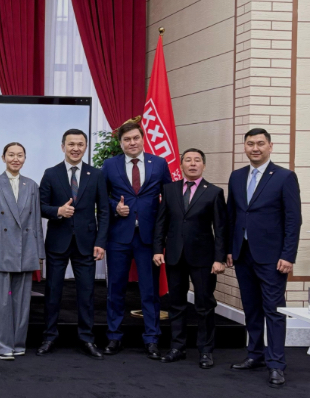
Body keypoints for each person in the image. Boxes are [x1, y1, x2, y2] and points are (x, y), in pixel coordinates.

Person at [227, 128, 301, 388]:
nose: (255, 148)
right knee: (251, 308)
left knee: (274, 310)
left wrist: (288, 255)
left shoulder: (284, 177)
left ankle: (276, 364)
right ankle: (255, 355)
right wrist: (229, 249)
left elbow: (293, 219)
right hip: (242, 254)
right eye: (250, 144)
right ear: (245, 147)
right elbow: (232, 215)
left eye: (260, 143)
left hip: (272, 257)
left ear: (270, 146)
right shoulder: (236, 176)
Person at [101, 121, 171, 359]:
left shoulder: (159, 163)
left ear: (143, 139)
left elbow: (169, 198)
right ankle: (114, 336)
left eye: (135, 138)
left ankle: (151, 339)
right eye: (127, 140)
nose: (132, 143)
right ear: (120, 143)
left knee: (149, 290)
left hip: (149, 239)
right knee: (116, 289)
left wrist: (164, 236)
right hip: (119, 237)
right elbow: (101, 197)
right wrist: (115, 206)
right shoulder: (109, 165)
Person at [37, 129, 109, 359]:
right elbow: (40, 206)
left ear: (85, 147)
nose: (76, 148)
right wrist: (58, 211)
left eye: (80, 144)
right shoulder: (51, 173)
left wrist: (101, 242)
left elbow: (104, 211)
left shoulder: (96, 174)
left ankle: (87, 338)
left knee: (87, 293)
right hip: (57, 242)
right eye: (71, 144)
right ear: (63, 147)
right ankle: (49, 336)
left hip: (87, 244)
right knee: (53, 292)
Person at [153, 148, 228, 368]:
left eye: (197, 160)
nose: (192, 164)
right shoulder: (169, 189)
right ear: (181, 165)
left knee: (204, 305)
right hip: (174, 256)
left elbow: (220, 229)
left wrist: (219, 259)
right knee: (176, 304)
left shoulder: (214, 192)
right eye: (188, 160)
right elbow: (161, 222)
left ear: (203, 165)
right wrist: (158, 249)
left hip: (204, 258)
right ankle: (177, 347)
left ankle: (205, 351)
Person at [0, 142, 44, 360]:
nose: (15, 159)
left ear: (25, 158)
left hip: (26, 249)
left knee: (21, 302)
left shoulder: (32, 185)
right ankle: (0, 345)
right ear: (3, 158)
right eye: (11, 155)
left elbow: (36, 223)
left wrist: (39, 253)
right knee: (0, 302)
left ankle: (17, 343)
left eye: (20, 155)